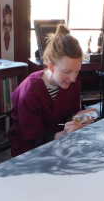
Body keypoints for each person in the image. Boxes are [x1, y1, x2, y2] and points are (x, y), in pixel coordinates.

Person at [9, 24, 94, 156]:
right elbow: (32, 138)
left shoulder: (72, 83)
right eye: (67, 72)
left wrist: (80, 118)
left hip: (61, 143)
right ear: (51, 67)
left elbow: (69, 115)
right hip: (29, 152)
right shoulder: (30, 91)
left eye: (76, 71)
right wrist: (63, 134)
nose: (73, 78)